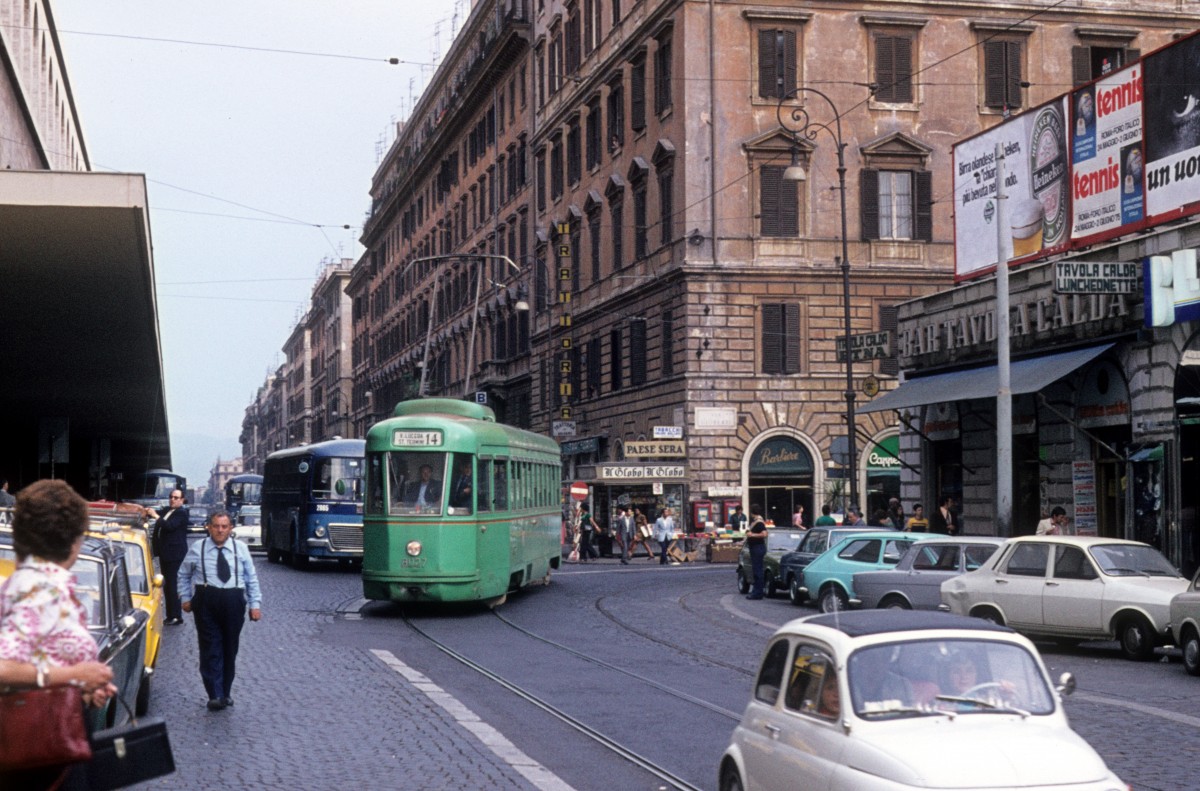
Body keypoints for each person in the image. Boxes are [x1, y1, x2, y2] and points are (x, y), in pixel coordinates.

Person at [0, 480, 118, 791]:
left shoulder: (34, 583)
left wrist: (81, 687)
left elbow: (38, 658)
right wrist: (75, 673)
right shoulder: (39, 589)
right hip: (43, 756)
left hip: (50, 743)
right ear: (74, 540)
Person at [178, 510, 262, 712]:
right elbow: (183, 574)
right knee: (210, 647)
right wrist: (186, 597)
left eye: (224, 526)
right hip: (206, 599)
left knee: (229, 647)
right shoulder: (198, 548)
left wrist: (255, 604)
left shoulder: (240, 548)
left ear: (231, 528)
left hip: (233, 600)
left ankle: (225, 691)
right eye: (216, 526)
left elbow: (251, 578)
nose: (220, 530)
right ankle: (214, 694)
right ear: (209, 527)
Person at [146, 488, 190, 625]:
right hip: (165, 553)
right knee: (167, 585)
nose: (172, 499)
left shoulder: (181, 513)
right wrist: (147, 511)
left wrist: (155, 516)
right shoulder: (168, 511)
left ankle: (176, 616)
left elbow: (169, 526)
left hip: (174, 554)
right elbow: (156, 513)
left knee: (173, 585)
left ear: (182, 500)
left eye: (176, 497)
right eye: (171, 496)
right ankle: (170, 615)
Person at [745, 512, 768, 599]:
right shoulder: (756, 523)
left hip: (757, 548)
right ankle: (757, 591)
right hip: (755, 548)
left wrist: (752, 534)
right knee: (756, 570)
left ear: (752, 514)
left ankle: (757, 593)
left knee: (758, 570)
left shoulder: (759, 523)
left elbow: (764, 534)